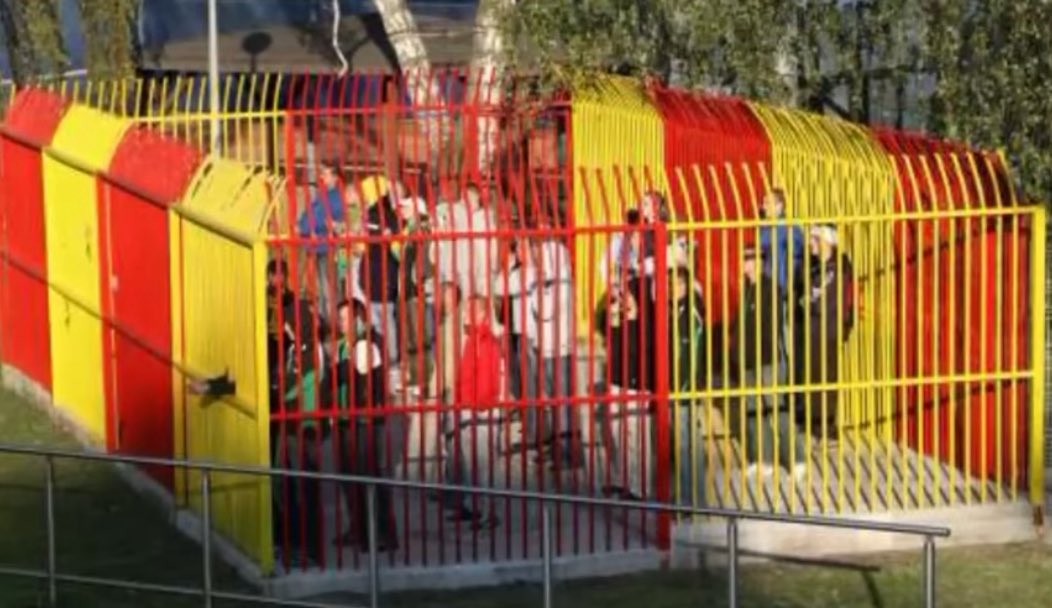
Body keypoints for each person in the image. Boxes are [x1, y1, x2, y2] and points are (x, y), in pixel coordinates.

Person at [730, 247, 806, 481]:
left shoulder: (770, 288)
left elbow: (772, 328)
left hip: (768, 360)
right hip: (748, 360)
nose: (744, 262)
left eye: (749, 258)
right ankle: (762, 459)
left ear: (760, 262)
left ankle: (797, 459)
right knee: (754, 411)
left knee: (777, 409)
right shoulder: (747, 290)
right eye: (744, 257)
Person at [331, 297, 399, 552]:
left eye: (347, 318)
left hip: (366, 418)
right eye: (340, 319)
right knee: (349, 476)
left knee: (370, 475)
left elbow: (357, 372)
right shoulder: (344, 345)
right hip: (347, 418)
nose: (342, 323)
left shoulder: (368, 342)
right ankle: (358, 528)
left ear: (359, 318)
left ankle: (383, 533)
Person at [446, 293, 504, 528]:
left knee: (484, 463)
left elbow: (489, 380)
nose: (466, 316)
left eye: (471, 311)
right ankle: (475, 507)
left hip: (480, 411)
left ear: (482, 314)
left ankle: (488, 512)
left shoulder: (486, 340)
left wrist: (478, 406)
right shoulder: (472, 339)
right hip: (468, 408)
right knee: (470, 462)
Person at [793, 225, 856, 438]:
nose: (809, 243)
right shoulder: (811, 266)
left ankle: (826, 423)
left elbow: (840, 300)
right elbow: (802, 295)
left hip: (828, 329)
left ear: (825, 241)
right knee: (810, 375)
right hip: (811, 328)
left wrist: (844, 326)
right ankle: (812, 418)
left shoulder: (839, 267)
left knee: (826, 378)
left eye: (813, 238)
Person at [527, 237, 582, 469]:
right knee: (552, 400)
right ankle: (559, 445)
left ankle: (568, 451)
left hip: (558, 347)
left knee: (562, 401)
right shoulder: (548, 282)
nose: (536, 261)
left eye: (540, 256)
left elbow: (544, 310)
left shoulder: (560, 284)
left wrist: (537, 289)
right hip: (546, 345)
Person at [596, 275, 653, 500]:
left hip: (636, 384)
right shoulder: (620, 318)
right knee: (619, 433)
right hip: (617, 381)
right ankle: (624, 480)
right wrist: (612, 316)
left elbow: (635, 351)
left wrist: (628, 318)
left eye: (625, 294)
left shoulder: (645, 324)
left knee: (636, 436)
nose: (621, 298)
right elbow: (613, 344)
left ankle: (641, 486)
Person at [668, 266, 708, 505]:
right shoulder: (675, 309)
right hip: (678, 385)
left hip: (686, 385)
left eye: (678, 284)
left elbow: (691, 351)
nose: (673, 289)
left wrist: (683, 385)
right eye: (670, 285)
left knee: (688, 444)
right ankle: (689, 496)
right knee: (684, 442)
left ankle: (692, 499)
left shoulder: (691, 311)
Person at [394, 190, 435, 392]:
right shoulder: (409, 228)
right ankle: (414, 376)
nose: (402, 211)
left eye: (406, 207)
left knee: (420, 335)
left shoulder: (421, 228)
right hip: (408, 286)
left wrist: (420, 281)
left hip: (416, 287)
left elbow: (423, 259)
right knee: (411, 334)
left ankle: (423, 380)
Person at [358, 191, 402, 365]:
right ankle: (390, 356)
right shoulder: (391, 218)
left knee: (377, 323)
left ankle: (381, 356)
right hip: (384, 278)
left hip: (371, 277)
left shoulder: (369, 217)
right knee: (387, 321)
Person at [297, 161, 345, 318]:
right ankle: (326, 322)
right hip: (317, 247)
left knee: (329, 290)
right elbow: (310, 214)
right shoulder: (323, 195)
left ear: (335, 177)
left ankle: (333, 325)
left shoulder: (336, 198)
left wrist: (304, 227)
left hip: (327, 248)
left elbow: (329, 221)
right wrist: (300, 225)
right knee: (323, 290)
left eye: (325, 174)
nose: (321, 176)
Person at [434, 182, 499, 299]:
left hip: (483, 267)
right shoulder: (455, 212)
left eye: (470, 196)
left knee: (485, 300)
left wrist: (493, 265)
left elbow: (492, 243)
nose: (467, 199)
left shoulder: (487, 216)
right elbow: (448, 239)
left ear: (477, 196)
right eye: (464, 196)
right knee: (466, 300)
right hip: (463, 266)